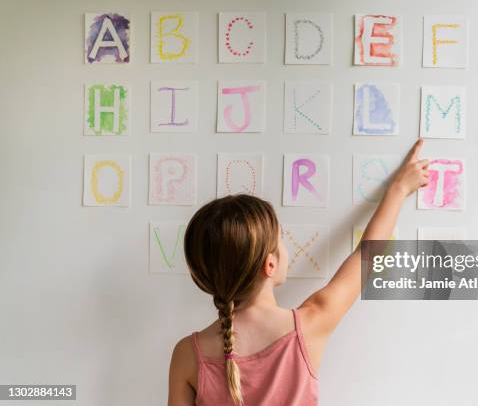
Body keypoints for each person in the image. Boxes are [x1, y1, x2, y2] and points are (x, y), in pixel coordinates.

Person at [168, 139, 430, 405]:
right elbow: (367, 255)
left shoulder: (187, 355)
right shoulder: (310, 324)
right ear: (269, 265)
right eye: (281, 238)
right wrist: (399, 189)